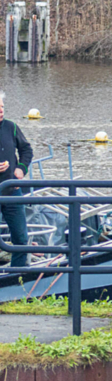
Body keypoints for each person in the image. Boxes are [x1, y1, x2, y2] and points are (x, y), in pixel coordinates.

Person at [0, 93, 33, 269]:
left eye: (2, 107)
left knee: (20, 237)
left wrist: (20, 169)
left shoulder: (11, 127)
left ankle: (16, 277)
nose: (0, 110)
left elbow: (27, 150)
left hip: (12, 191)